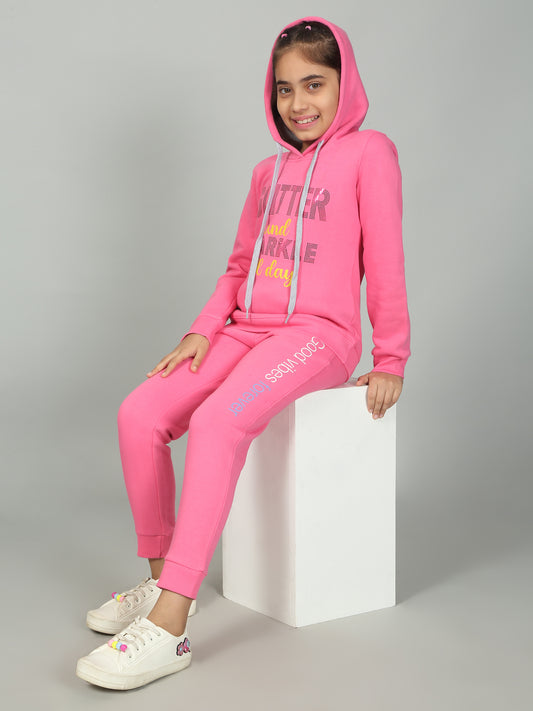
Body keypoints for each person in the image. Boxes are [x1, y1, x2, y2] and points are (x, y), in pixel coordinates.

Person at [76, 16, 410, 690]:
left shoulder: (370, 152)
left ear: (343, 83)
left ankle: (170, 626)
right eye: (284, 89)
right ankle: (162, 580)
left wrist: (390, 357)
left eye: (314, 84)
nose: (298, 103)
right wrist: (203, 328)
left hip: (318, 335)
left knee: (217, 422)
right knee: (139, 414)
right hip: (244, 329)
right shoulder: (267, 172)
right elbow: (239, 266)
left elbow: (385, 257)